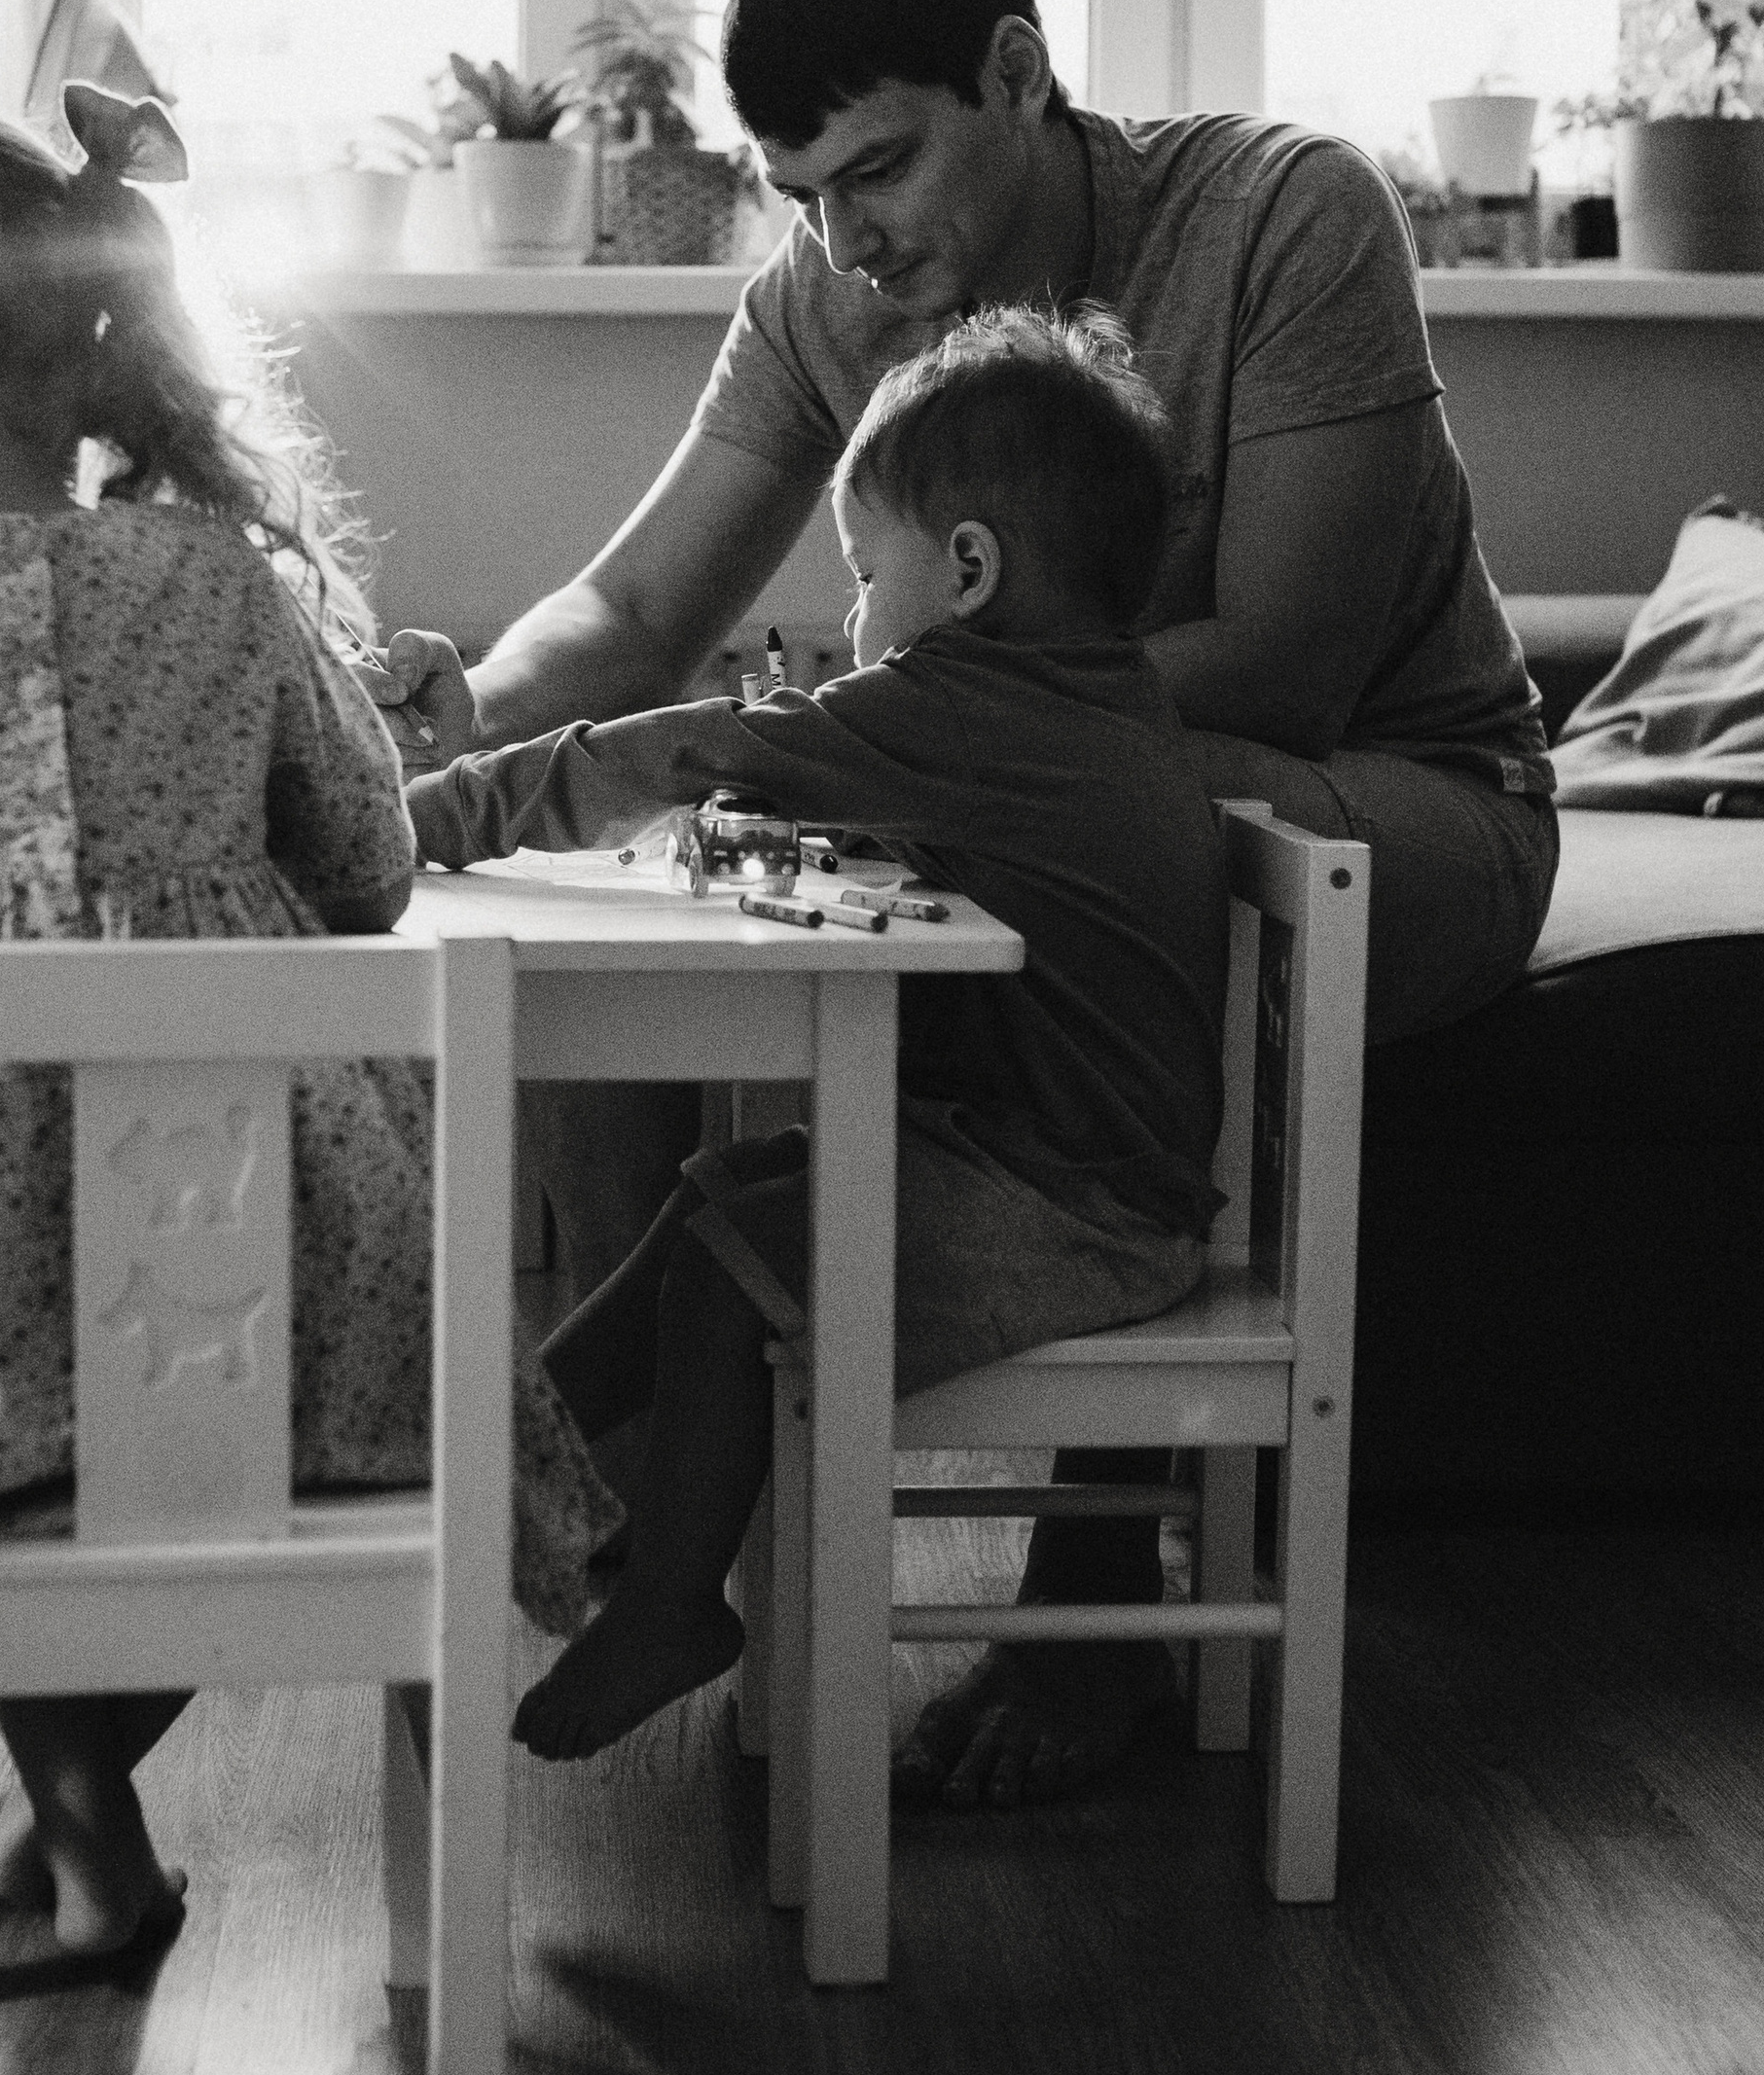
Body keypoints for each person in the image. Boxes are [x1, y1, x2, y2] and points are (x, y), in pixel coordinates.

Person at [375, 0, 1556, 1804]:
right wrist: (439, 741)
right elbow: (631, 610)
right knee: (675, 893)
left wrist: (923, 746)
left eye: (882, 166)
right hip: (1065, 793)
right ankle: (616, 1513)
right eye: (800, 192)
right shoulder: (824, 300)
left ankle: (1079, 1595)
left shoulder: (1282, 216)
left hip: (1392, 804)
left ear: (1011, 76)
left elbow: (1288, 657)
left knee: (1153, 838)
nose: (847, 234)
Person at [0, 88, 611, 1955]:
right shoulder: (220, 582)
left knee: (15, 1433)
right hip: (298, 1284)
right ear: (90, 341)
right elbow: (375, 858)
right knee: (207, 1414)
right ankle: (90, 1837)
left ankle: (81, 1835)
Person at [410, 305, 1229, 1756]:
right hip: (1065, 1166)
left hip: (1081, 1211)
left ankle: (665, 1594)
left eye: (864, 572)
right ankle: (523, 1449)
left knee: (743, 1260)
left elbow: (669, 748)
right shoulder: (1095, 693)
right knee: (722, 1194)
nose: (853, 617)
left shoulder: (961, 701)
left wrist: (415, 816)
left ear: (968, 571)